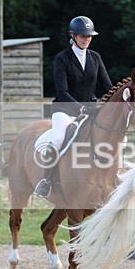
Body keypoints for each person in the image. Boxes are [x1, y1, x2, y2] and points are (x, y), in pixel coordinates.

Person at [33, 15, 113, 198]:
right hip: (65, 109)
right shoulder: (62, 59)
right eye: (82, 36)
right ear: (73, 36)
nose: (86, 39)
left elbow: (108, 86)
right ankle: (46, 180)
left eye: (89, 36)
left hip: (91, 110)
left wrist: (121, 96)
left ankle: (112, 175)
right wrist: (81, 109)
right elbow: (62, 92)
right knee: (59, 138)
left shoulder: (95, 57)